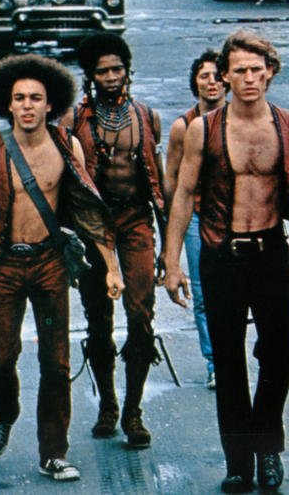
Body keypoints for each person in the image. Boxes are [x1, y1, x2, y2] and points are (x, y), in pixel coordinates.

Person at [163, 30, 289, 493]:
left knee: (278, 359)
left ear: (270, 71)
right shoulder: (203, 129)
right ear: (225, 76)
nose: (249, 78)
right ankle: (238, 460)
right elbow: (184, 196)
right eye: (240, 71)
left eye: (257, 69)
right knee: (228, 362)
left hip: (270, 252)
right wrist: (172, 263)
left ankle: (267, 447)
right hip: (221, 253)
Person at [0, 54, 124, 481]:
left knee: (56, 363)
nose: (28, 105)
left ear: (51, 104)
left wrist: (110, 267)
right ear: (7, 104)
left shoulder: (68, 146)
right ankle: (5, 413)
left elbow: (90, 210)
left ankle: (53, 452)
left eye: (36, 98)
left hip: (49, 263)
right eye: (19, 98)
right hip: (6, 265)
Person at [58, 33, 166, 449]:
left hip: (137, 220)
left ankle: (134, 410)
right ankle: (108, 404)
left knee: (141, 315)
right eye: (102, 71)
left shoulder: (147, 117)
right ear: (90, 76)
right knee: (98, 317)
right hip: (91, 225)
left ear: (127, 71)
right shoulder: (74, 121)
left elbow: (158, 181)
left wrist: (169, 249)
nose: (110, 77)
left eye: (117, 69)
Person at [162, 49, 225, 390]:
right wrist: (175, 226)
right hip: (198, 218)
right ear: (195, 83)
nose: (212, 83)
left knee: (237, 291)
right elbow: (170, 180)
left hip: (236, 218)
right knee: (202, 292)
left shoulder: (240, 119)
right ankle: (215, 361)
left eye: (217, 76)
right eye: (205, 76)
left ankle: (233, 355)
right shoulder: (183, 126)